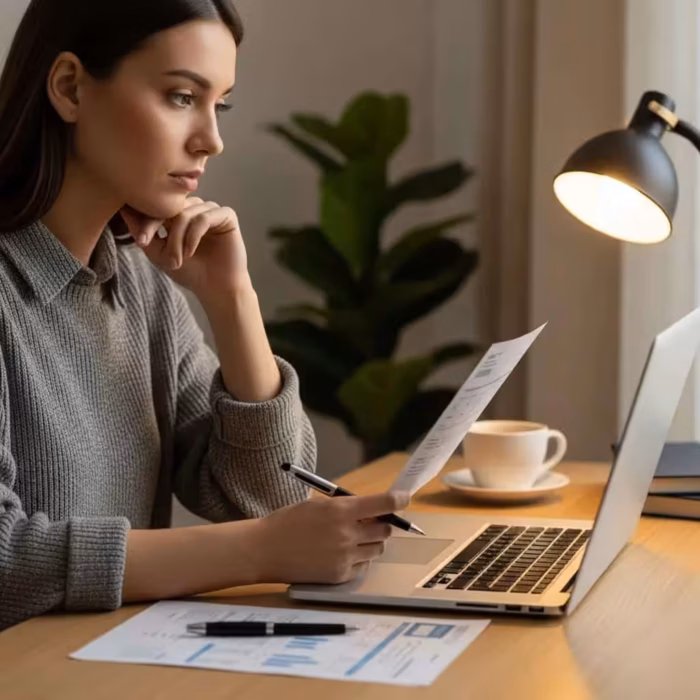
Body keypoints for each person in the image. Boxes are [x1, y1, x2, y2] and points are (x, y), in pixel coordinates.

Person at [0, 0, 407, 632]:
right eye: (182, 97)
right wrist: (257, 551)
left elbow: (268, 494)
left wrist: (231, 297)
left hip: (113, 664)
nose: (211, 139)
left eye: (220, 104)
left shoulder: (138, 283)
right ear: (70, 88)